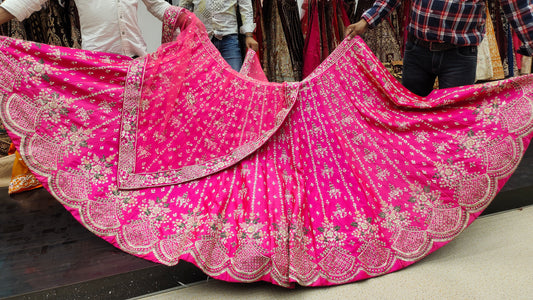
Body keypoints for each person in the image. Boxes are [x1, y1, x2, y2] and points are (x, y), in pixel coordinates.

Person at [344, 0, 533, 97]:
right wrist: (366, 21)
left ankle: (445, 171)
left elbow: (516, 6)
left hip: (459, 56)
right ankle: (416, 169)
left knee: (452, 122)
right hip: (417, 50)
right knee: (412, 117)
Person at [0, 0, 172, 57]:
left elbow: (158, 6)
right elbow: (25, 2)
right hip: (96, 66)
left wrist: (186, 18)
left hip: (137, 64)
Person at [178, 0, 258, 71]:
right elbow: (184, 9)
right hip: (202, 40)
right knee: (205, 81)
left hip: (229, 39)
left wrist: (249, 35)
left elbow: (246, 8)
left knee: (234, 80)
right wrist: (183, 35)